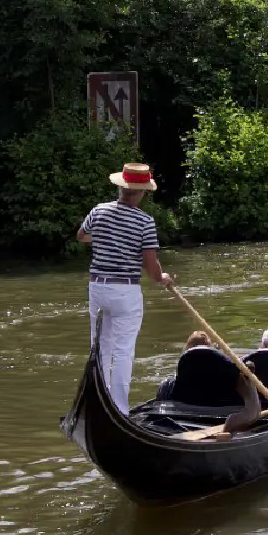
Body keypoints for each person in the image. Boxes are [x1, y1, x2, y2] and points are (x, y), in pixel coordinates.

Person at [77, 162, 174, 415]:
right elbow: (150, 263)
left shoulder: (98, 211)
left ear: (121, 187)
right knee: (122, 351)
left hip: (97, 287)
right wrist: (161, 277)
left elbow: (81, 236)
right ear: (141, 192)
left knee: (100, 348)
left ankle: (98, 403)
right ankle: (119, 409)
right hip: (125, 292)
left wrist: (103, 238)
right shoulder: (145, 221)